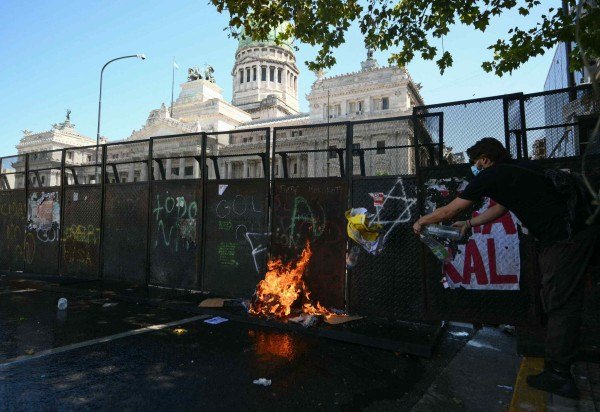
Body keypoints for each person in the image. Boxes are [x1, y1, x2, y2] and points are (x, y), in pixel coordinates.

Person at [412, 137, 598, 399]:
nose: (474, 168)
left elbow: (449, 211)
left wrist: (422, 221)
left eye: (476, 163)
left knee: (560, 303)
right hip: (576, 233)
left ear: (486, 159)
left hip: (565, 240)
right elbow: (501, 207)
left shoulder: (493, 174)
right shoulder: (517, 169)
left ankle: (559, 374)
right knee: (560, 299)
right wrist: (470, 225)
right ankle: (559, 367)